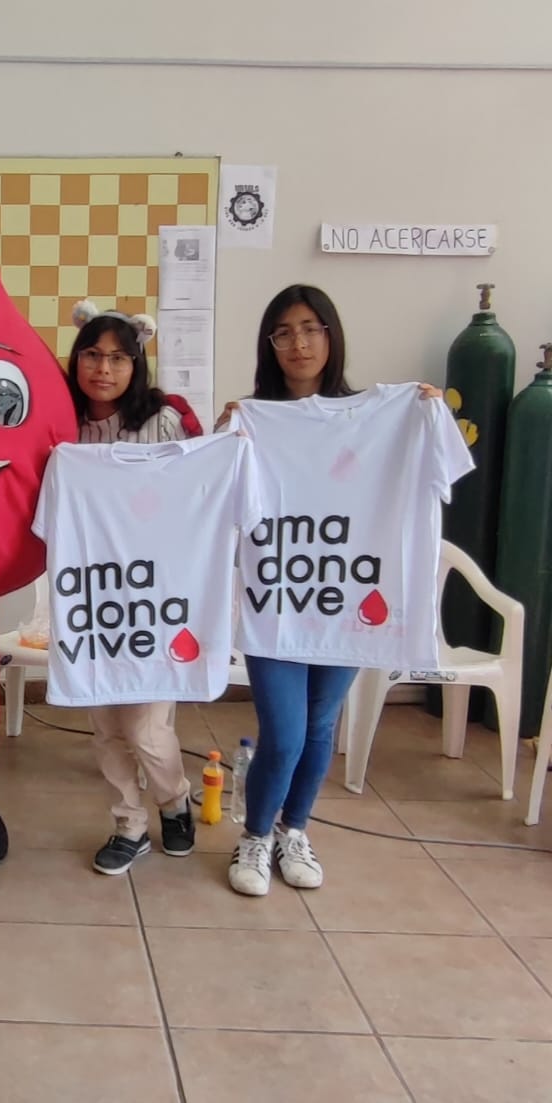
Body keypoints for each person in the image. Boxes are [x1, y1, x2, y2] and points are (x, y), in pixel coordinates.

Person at [218, 285, 441, 897]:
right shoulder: (252, 418)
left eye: (311, 328)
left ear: (331, 336)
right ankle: (256, 836)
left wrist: (424, 415)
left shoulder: (379, 418)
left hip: (346, 599)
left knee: (320, 729)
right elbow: (220, 503)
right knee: (284, 733)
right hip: (278, 599)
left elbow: (439, 471)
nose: (299, 343)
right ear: (270, 345)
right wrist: (223, 444)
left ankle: (296, 829)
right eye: (284, 331)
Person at [63, 303, 198, 874]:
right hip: (91, 591)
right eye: (93, 354)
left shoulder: (162, 419)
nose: (103, 368)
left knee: (145, 727)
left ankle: (174, 799)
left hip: (155, 593)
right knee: (105, 725)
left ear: (136, 362)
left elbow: (199, 488)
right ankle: (129, 824)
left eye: (119, 357)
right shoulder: (61, 422)